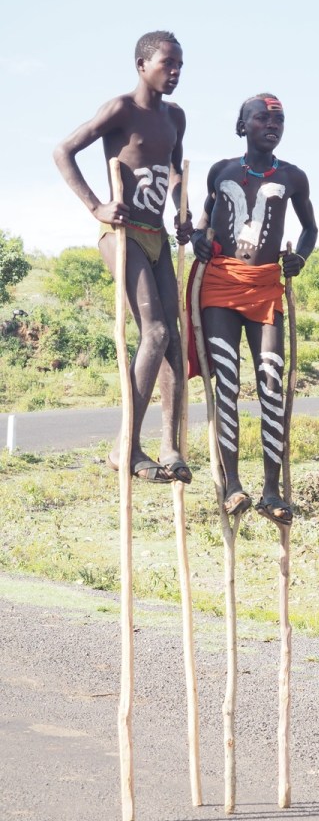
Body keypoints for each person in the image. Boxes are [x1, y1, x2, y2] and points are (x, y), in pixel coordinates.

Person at [53, 30, 193, 484]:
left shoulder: (176, 117)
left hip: (157, 236)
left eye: (179, 66)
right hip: (122, 234)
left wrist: (183, 211)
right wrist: (96, 205)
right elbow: (63, 150)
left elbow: (174, 171)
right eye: (166, 64)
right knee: (151, 333)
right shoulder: (120, 110)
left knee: (173, 337)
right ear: (141, 65)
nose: (174, 73)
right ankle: (125, 446)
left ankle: (170, 446)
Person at [189, 93, 317, 522]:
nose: (271, 123)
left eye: (279, 119)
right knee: (226, 382)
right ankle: (232, 487)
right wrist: (197, 238)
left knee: (270, 382)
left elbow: (310, 228)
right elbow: (205, 222)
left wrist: (299, 256)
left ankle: (271, 491)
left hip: (265, 288)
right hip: (220, 286)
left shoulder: (293, 177)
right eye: (261, 117)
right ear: (241, 126)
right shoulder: (220, 171)